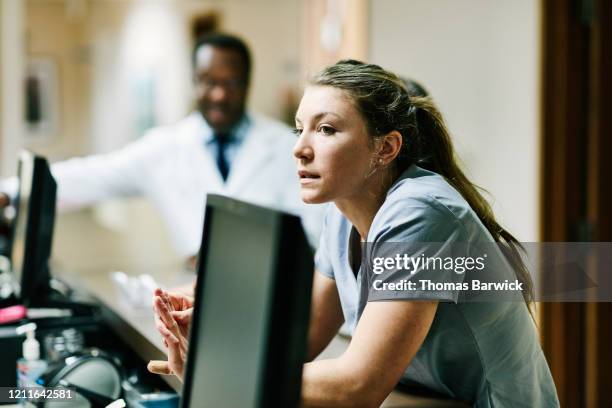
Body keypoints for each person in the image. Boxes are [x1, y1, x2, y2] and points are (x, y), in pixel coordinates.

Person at [148, 60, 559, 407]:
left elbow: (357, 385)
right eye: (299, 128)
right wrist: (209, 335)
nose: (300, 148)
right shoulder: (344, 209)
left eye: (325, 130)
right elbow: (304, 334)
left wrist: (223, 369)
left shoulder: (421, 213)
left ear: (386, 148)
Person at [0, 33, 323, 259]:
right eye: (209, 82)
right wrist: (12, 190)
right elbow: (90, 176)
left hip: (274, 295)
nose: (219, 95)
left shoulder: (285, 146)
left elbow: (314, 236)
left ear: (247, 84)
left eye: (231, 83)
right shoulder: (165, 147)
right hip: (193, 297)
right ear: (194, 82)